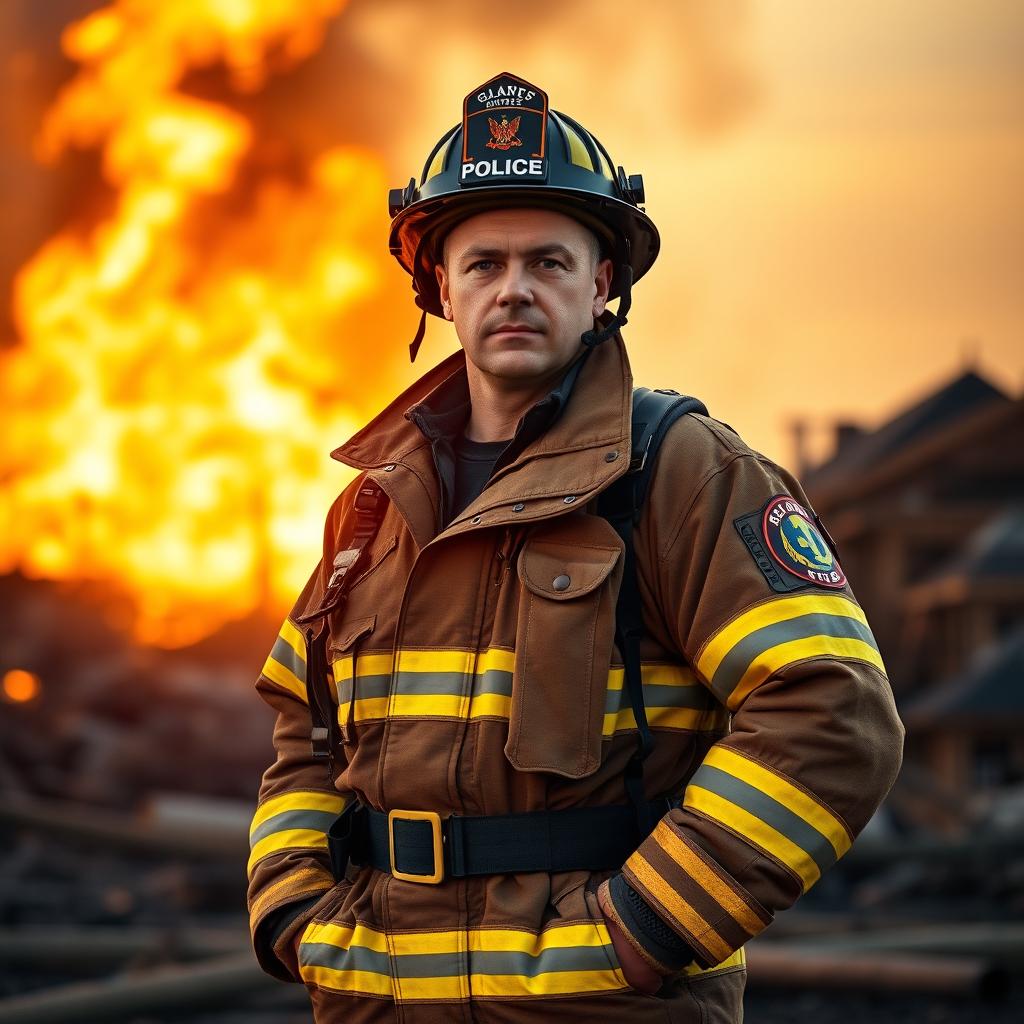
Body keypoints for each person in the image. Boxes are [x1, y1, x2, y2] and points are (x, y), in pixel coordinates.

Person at [246, 72, 904, 1023]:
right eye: (483, 264)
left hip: (596, 1008)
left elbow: (833, 713)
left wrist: (646, 931)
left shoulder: (680, 472)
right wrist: (294, 914)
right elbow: (302, 734)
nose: (514, 289)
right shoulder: (368, 509)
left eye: (549, 262)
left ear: (602, 285)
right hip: (376, 1005)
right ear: (438, 286)